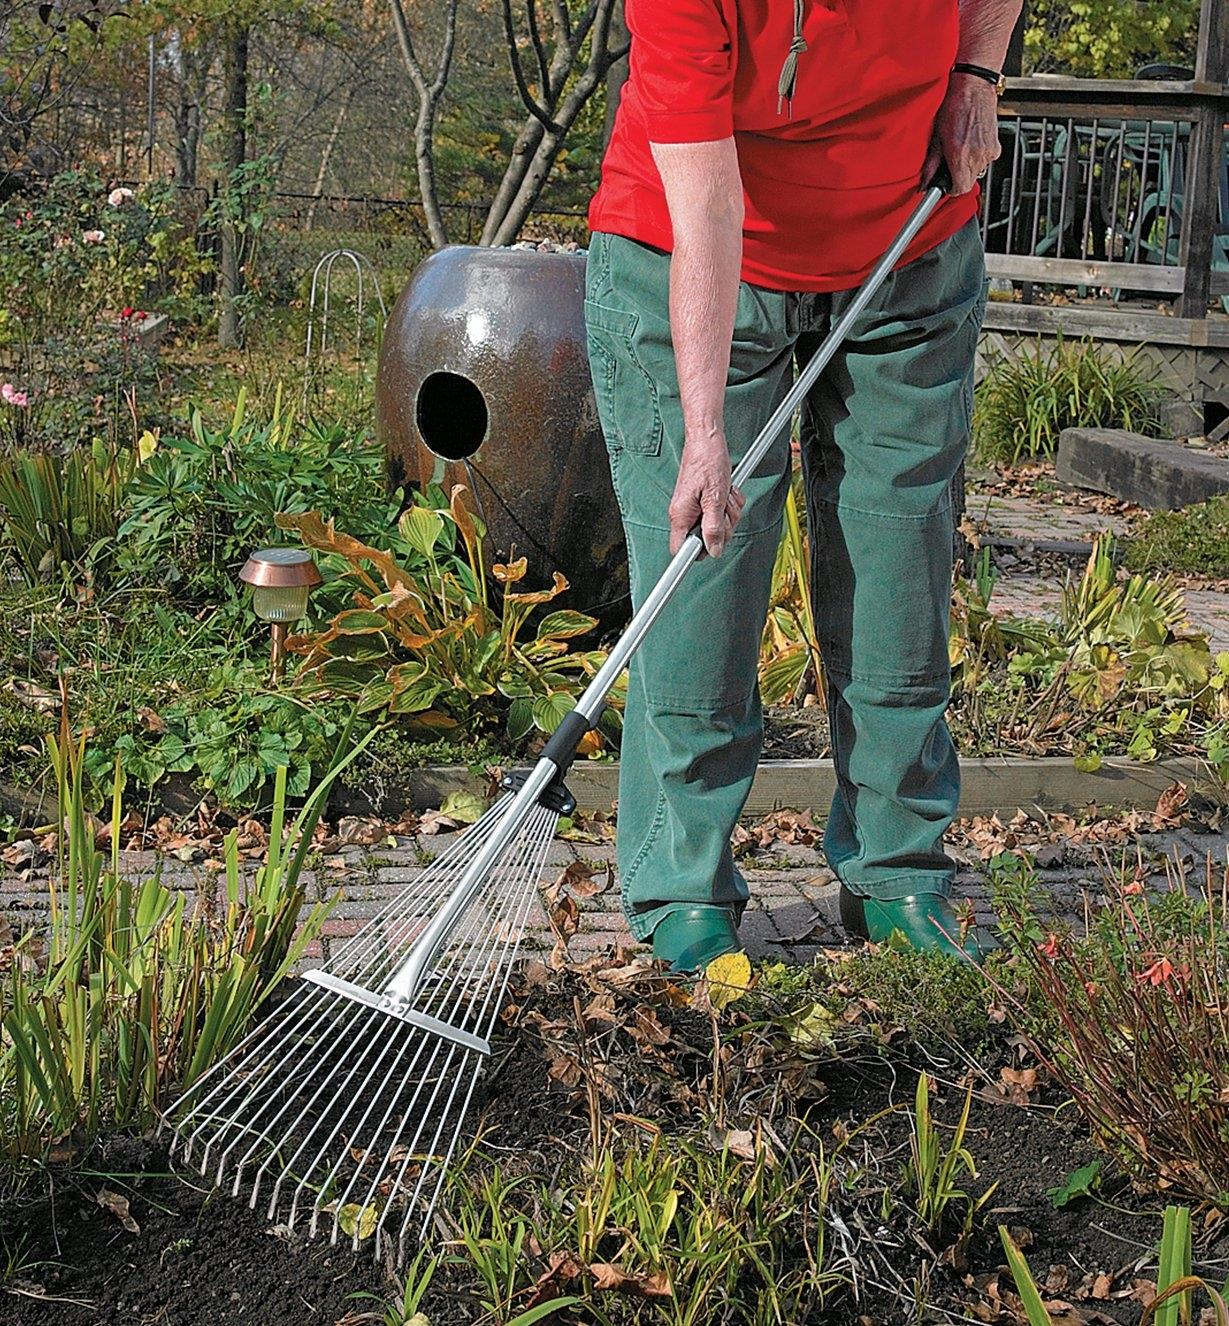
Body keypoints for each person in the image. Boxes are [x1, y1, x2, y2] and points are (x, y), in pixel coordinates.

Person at [584, 0, 1021, 973]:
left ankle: (896, 868)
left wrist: (974, 76)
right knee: (702, 575)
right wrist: (704, 438)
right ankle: (681, 884)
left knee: (896, 565)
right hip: (692, 261)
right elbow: (704, 210)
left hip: (909, 240)